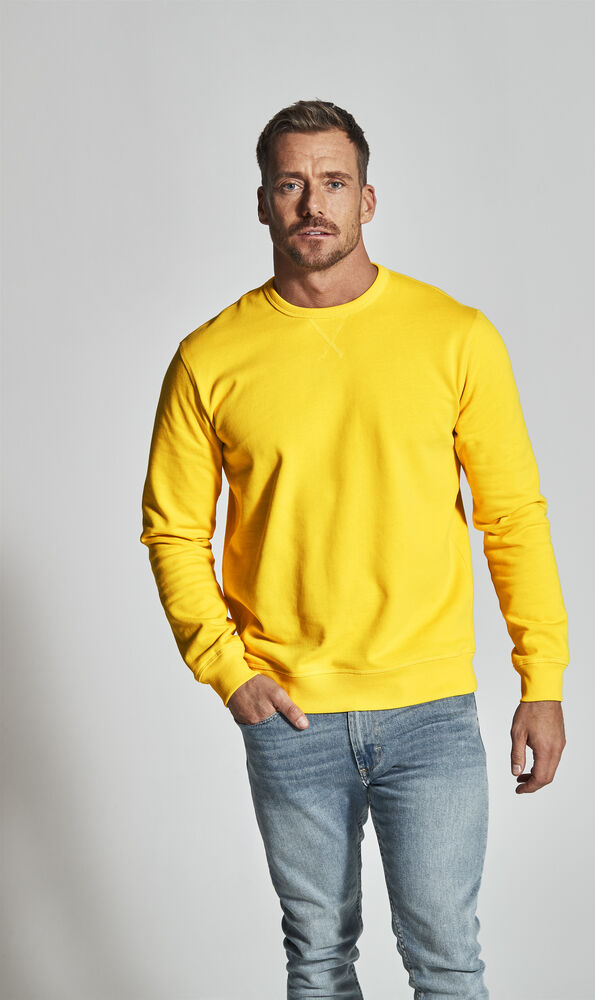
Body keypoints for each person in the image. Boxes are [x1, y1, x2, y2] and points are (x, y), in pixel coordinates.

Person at [140, 98, 568, 999]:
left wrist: (543, 679)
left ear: (367, 199)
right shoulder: (209, 358)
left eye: (333, 182)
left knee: (446, 961)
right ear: (262, 202)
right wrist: (227, 671)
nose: (313, 204)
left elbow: (511, 518)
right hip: (288, 707)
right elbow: (173, 530)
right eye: (290, 184)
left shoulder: (454, 336)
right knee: (317, 959)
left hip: (430, 706)